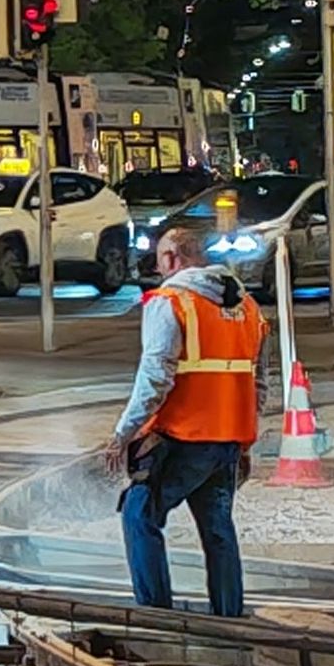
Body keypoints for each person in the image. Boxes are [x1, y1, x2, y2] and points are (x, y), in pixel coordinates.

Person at [103, 210, 270, 619]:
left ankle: (157, 614)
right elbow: (259, 384)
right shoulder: (247, 307)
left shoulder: (170, 303)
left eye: (160, 258)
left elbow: (155, 376)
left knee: (139, 515)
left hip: (183, 437)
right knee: (218, 531)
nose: (157, 267)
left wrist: (122, 433)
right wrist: (244, 440)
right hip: (228, 438)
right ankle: (229, 618)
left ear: (174, 259)